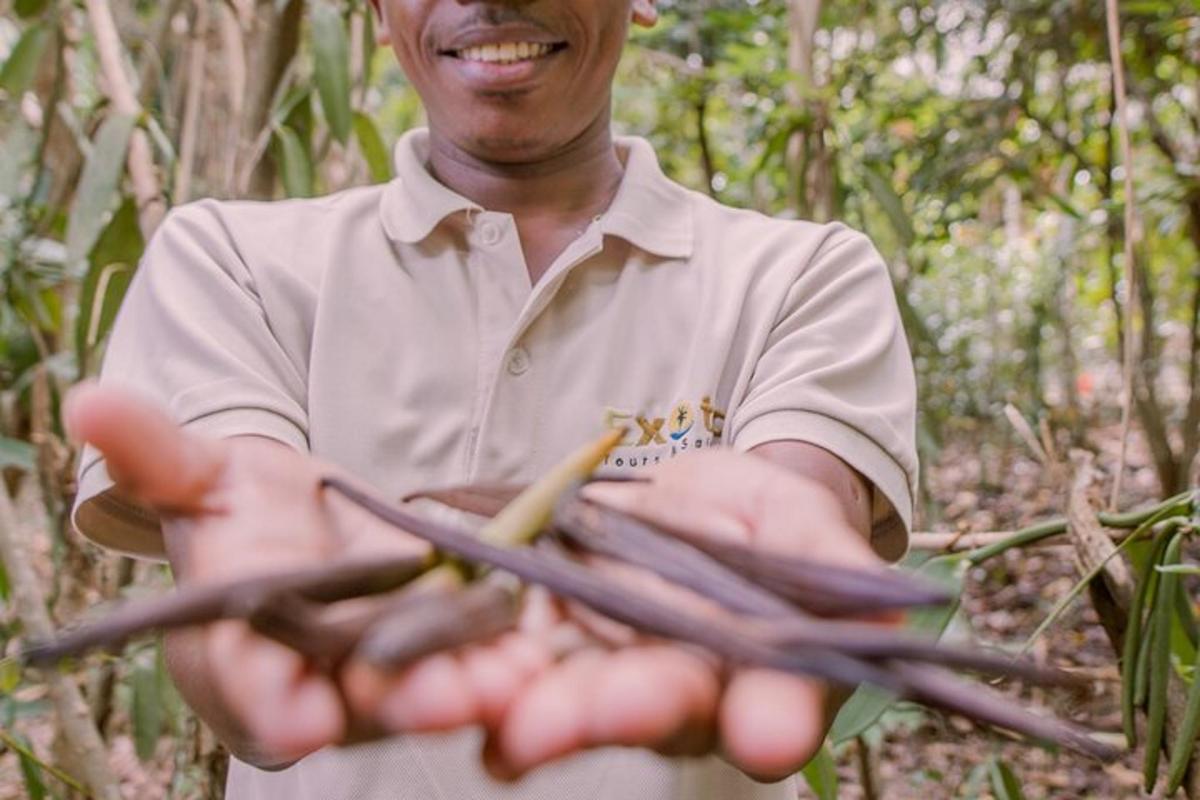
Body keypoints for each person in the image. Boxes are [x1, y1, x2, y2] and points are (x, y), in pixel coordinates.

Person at [67, 1, 918, 798]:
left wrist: (780, 609)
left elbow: (797, 633)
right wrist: (251, 626)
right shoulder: (229, 263)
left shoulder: (803, 278)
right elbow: (236, 664)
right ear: (376, 9)